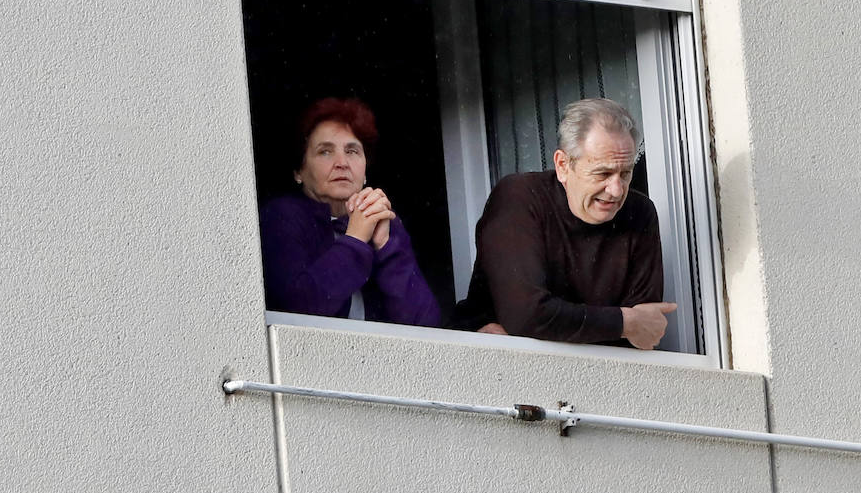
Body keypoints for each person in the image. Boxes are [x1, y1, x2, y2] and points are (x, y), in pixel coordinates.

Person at [454, 98, 676, 349]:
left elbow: (644, 331)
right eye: (602, 173)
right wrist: (624, 322)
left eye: (625, 173)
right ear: (562, 165)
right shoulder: (521, 197)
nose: (616, 190)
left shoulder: (640, 212)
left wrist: (556, 323)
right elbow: (526, 314)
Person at [260, 97, 440, 326]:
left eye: (353, 151)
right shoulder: (281, 216)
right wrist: (355, 240)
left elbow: (425, 324)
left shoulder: (385, 222)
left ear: (365, 171)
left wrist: (386, 245)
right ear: (299, 171)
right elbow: (299, 308)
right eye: (325, 152)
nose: (342, 163)